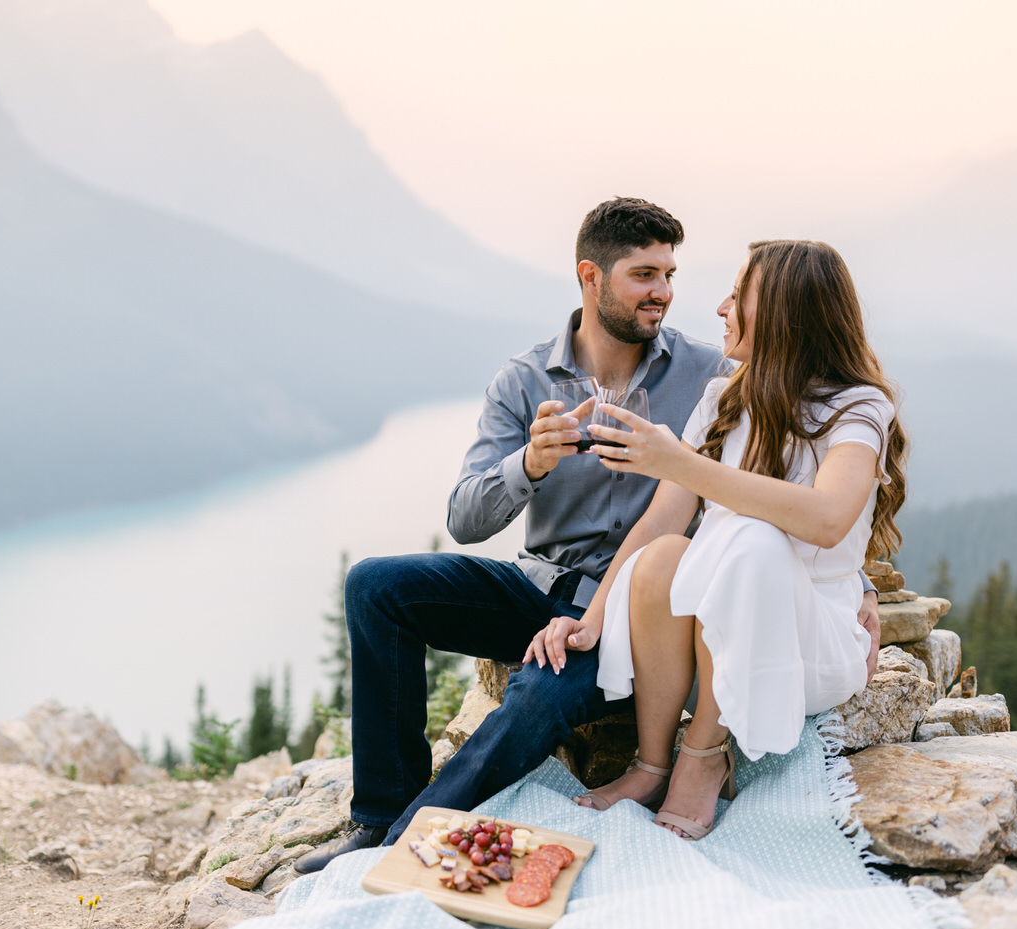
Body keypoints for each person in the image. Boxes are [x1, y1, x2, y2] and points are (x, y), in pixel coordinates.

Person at [295, 205, 881, 874]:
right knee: (376, 585)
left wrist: (854, 579)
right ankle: (378, 817)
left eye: (669, 273)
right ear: (591, 278)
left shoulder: (711, 372)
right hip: (536, 586)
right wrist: (530, 464)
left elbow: (803, 473)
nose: (663, 290)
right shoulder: (524, 380)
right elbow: (465, 518)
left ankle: (405, 844)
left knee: (538, 692)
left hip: (642, 611)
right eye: (644, 274)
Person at [524, 239, 906, 840]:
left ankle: (703, 754)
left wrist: (680, 462)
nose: (722, 307)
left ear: (783, 311)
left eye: (739, 294)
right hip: (711, 651)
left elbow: (830, 517)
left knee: (753, 539)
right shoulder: (724, 398)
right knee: (662, 558)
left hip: (806, 650)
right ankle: (652, 764)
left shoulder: (858, 407)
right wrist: (593, 618)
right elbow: (659, 522)